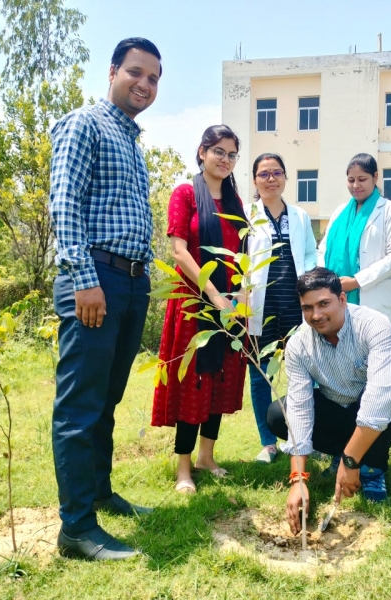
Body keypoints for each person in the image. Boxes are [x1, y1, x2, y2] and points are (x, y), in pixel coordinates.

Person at [49, 37, 161, 561]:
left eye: (153, 78)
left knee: (107, 399)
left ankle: (98, 493)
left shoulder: (131, 141)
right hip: (96, 279)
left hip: (131, 283)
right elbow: (64, 203)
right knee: (80, 406)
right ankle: (76, 529)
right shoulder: (85, 124)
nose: (145, 84)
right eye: (136, 72)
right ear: (112, 71)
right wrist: (83, 278)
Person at [266, 268, 391, 530]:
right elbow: (300, 409)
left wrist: (351, 460)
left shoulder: (373, 324)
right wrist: (298, 479)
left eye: (324, 304)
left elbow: (381, 398)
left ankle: (372, 468)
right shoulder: (299, 345)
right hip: (340, 408)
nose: (316, 315)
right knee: (280, 413)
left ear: (343, 300)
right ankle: (345, 454)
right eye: (307, 308)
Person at [152, 125, 248, 495]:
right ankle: (183, 467)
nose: (225, 159)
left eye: (231, 154)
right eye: (218, 151)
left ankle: (207, 456)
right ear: (202, 152)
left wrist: (240, 295)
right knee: (192, 380)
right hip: (194, 302)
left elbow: (241, 254)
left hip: (230, 302)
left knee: (220, 377)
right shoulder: (185, 194)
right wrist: (214, 295)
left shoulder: (235, 202)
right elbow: (179, 251)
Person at [244, 153, 317, 464]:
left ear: (286, 177)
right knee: (261, 375)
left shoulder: (300, 216)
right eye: (264, 174)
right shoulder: (246, 215)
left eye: (276, 172)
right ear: (255, 180)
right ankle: (268, 443)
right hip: (260, 308)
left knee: (305, 374)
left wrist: (309, 284)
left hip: (295, 307)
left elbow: (311, 254)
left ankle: (304, 437)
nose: (270, 179)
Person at [319, 153, 391, 382]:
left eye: (362, 179)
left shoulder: (390, 210)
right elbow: (323, 249)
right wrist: (326, 282)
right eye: (351, 180)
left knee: (382, 373)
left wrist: (357, 281)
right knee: (341, 376)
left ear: (375, 177)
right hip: (337, 298)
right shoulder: (339, 212)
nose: (356, 185)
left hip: (372, 300)